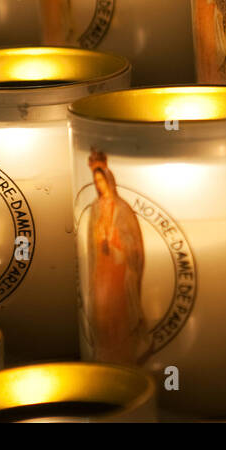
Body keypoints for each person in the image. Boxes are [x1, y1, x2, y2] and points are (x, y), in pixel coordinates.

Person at [86, 149, 146, 363]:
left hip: (119, 266)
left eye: (102, 181)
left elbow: (133, 243)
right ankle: (105, 351)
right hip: (102, 267)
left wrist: (116, 244)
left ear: (109, 181)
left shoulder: (122, 209)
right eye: (96, 182)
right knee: (102, 307)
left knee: (117, 307)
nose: (99, 186)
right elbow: (91, 244)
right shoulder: (95, 207)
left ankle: (123, 351)